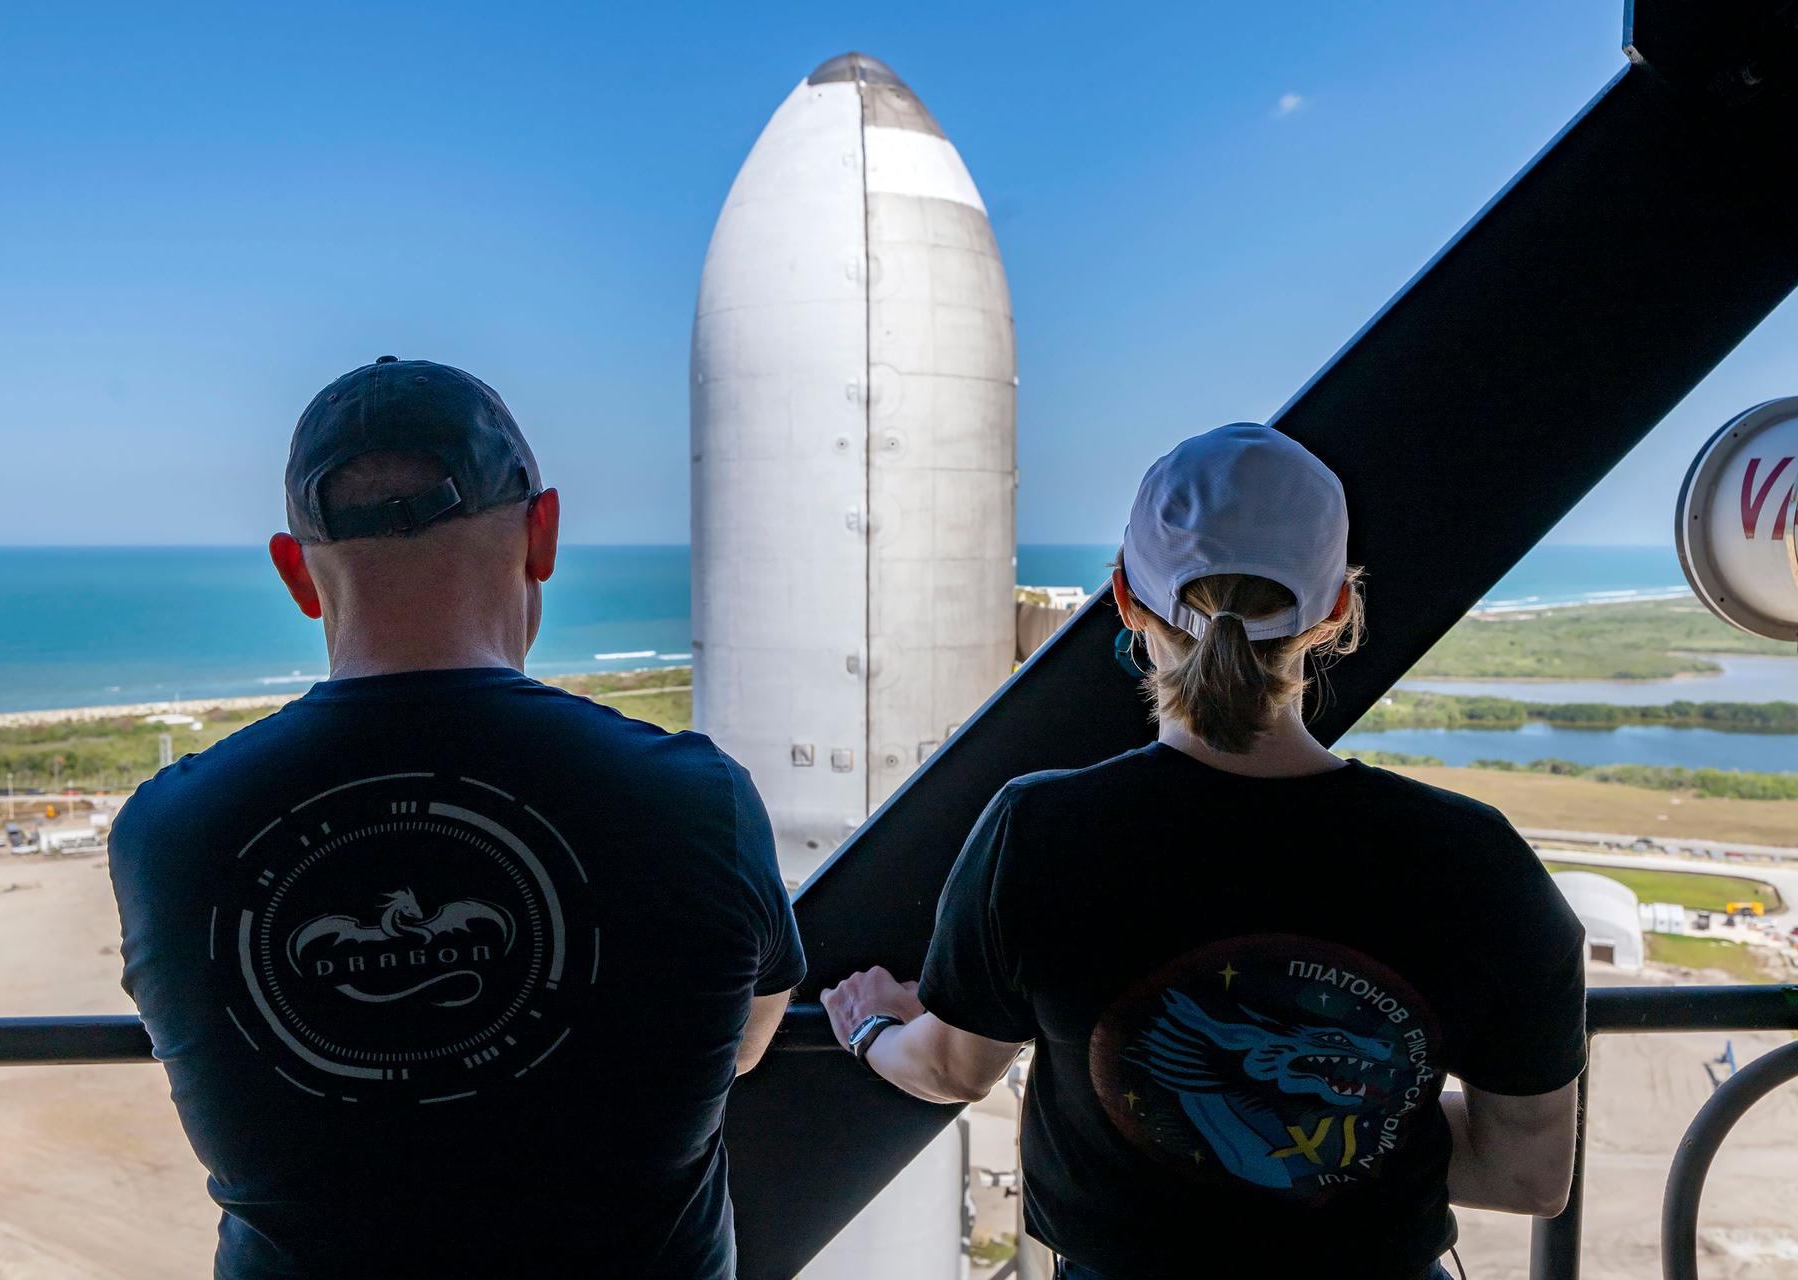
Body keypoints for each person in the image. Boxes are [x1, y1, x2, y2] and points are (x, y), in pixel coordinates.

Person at [821, 423, 1585, 1280]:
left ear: (1124, 598)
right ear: (1337, 609)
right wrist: (1351, 1123)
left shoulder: (1040, 831)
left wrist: (872, 1025)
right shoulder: (1474, 859)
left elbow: (953, 1068)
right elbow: (1527, 1171)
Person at [109, 357, 804, 1279]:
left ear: (297, 574)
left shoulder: (167, 832)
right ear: (543, 533)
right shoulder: (695, 800)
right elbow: (744, 1044)